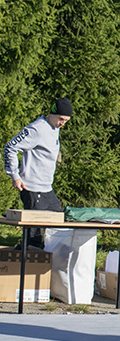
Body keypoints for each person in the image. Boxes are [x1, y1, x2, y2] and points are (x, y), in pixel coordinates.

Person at [4, 98, 72, 248]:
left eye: (66, 121)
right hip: (32, 189)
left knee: (60, 226)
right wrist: (14, 175)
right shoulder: (36, 129)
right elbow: (10, 147)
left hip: (47, 189)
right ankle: (24, 260)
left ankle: (50, 259)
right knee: (34, 238)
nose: (62, 123)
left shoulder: (55, 128)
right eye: (61, 119)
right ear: (52, 113)